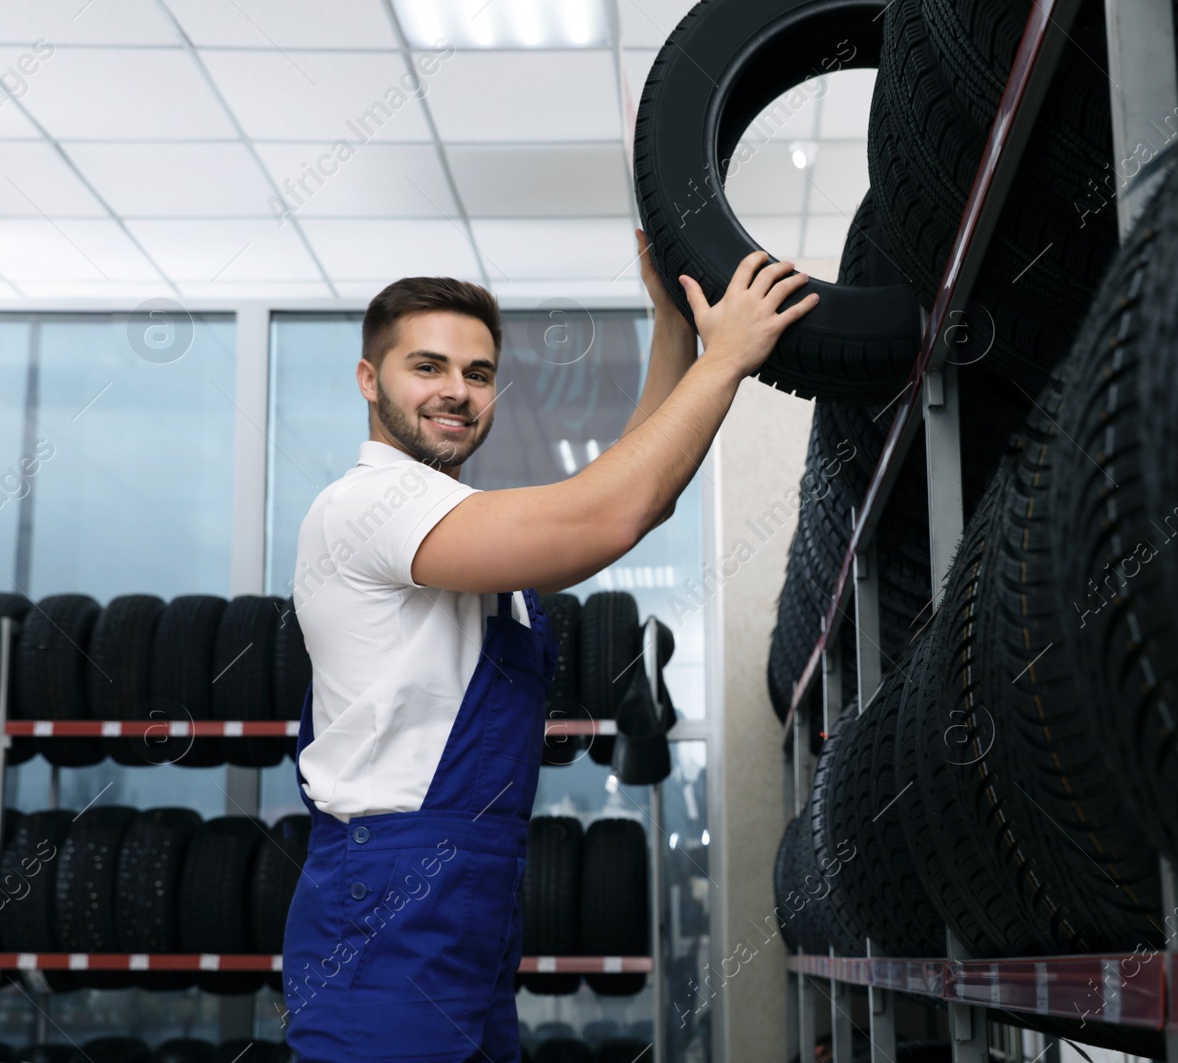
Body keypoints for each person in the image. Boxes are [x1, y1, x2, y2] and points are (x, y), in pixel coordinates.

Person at [279, 231, 817, 1062]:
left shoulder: (453, 520)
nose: (456, 391)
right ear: (368, 380)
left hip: (469, 906)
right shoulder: (371, 507)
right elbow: (609, 514)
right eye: (427, 366)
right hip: (386, 910)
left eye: (479, 373)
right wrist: (728, 356)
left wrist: (670, 323)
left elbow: (645, 490)